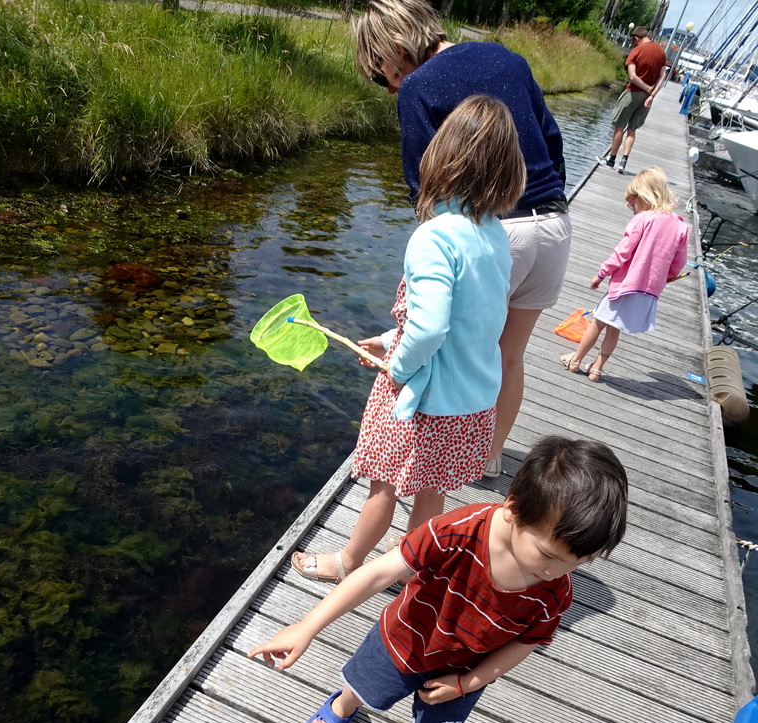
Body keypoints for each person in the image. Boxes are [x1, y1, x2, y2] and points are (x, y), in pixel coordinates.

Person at [249, 436, 628, 723]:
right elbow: (379, 573)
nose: (555, 573)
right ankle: (342, 707)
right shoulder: (456, 532)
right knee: (362, 687)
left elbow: (526, 642)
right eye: (548, 556)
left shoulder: (556, 589)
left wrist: (469, 682)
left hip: (464, 673)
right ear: (513, 510)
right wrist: (308, 626)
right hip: (405, 639)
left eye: (576, 564)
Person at [292, 95, 526, 584]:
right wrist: (387, 337)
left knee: (383, 486)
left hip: (422, 401)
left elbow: (430, 327)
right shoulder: (496, 236)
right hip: (471, 402)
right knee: (431, 491)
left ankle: (349, 562)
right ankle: (415, 571)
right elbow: (470, 319)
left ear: (442, 159)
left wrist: (397, 367)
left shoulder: (435, 237)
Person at [354, 0, 572, 479]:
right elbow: (552, 140)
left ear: (394, 49)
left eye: (379, 73)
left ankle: (437, 458)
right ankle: (486, 457)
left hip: (495, 229)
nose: (387, 84)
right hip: (554, 225)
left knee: (458, 344)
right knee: (510, 355)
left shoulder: (416, 87)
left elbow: (424, 192)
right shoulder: (504, 56)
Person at [559, 167, 689, 382]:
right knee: (614, 328)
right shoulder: (679, 225)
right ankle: (597, 369)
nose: (631, 207)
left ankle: (575, 360)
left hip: (625, 284)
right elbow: (678, 262)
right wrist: (667, 276)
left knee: (598, 322)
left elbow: (623, 252)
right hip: (648, 290)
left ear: (645, 196)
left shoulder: (643, 219)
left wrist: (601, 274)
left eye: (632, 202)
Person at [598, 27, 667, 176]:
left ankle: (611, 161)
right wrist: (652, 95)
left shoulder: (637, 51)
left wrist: (647, 89)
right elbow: (663, 76)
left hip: (633, 93)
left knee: (619, 126)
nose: (633, 44)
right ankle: (623, 162)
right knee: (632, 129)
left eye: (632, 41)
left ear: (636, 38)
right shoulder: (661, 51)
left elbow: (633, 77)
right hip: (647, 100)